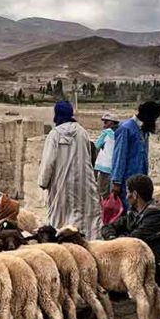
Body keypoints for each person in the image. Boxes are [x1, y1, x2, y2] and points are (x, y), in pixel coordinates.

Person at [101, 174, 160, 313]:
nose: (126, 196)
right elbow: (107, 227)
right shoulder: (135, 214)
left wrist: (114, 243)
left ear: (135, 195)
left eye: (128, 192)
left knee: (134, 252)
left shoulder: (156, 215)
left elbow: (132, 241)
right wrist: (112, 237)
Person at [39, 101, 100, 238]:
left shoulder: (54, 135)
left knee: (59, 222)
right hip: (83, 183)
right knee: (83, 222)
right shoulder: (82, 132)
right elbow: (89, 157)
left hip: (61, 186)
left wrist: (43, 182)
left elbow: (48, 162)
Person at [110, 100, 160, 212]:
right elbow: (119, 156)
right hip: (126, 181)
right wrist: (116, 182)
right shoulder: (126, 128)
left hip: (139, 181)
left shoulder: (144, 131)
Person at [93, 113, 118, 197]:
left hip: (104, 167)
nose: (104, 125)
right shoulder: (120, 132)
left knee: (102, 192)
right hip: (115, 167)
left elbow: (96, 145)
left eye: (106, 122)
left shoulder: (106, 132)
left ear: (112, 123)